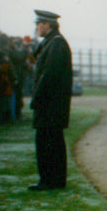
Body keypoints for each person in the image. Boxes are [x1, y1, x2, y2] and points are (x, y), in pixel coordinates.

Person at [28, 10, 73, 191]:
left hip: (50, 104)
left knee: (48, 142)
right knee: (51, 142)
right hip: (51, 104)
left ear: (49, 25)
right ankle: (53, 179)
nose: (38, 27)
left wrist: (36, 97)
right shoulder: (51, 42)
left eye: (41, 24)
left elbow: (49, 75)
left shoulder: (56, 44)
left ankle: (49, 180)